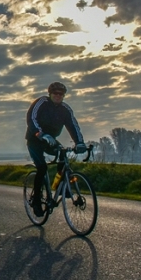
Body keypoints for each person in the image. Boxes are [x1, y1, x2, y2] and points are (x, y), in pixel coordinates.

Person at [25, 82, 88, 216]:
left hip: (51, 140)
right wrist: (39, 133)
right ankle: (36, 201)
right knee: (42, 168)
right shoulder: (41, 102)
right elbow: (31, 118)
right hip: (35, 140)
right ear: (50, 94)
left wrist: (79, 143)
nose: (58, 96)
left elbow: (73, 125)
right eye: (55, 93)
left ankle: (60, 186)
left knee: (63, 157)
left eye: (61, 94)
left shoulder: (65, 109)